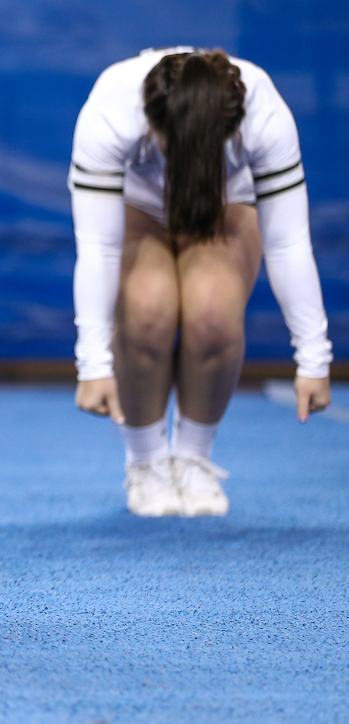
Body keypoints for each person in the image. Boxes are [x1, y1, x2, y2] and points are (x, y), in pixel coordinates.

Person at [70, 47, 332, 517]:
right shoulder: (111, 108)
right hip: (141, 210)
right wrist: (92, 363)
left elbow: (289, 244)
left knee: (211, 313)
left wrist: (313, 357)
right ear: (151, 125)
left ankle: (192, 458)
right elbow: (100, 249)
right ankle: (147, 461)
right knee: (147, 308)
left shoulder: (263, 112)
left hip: (224, 204)